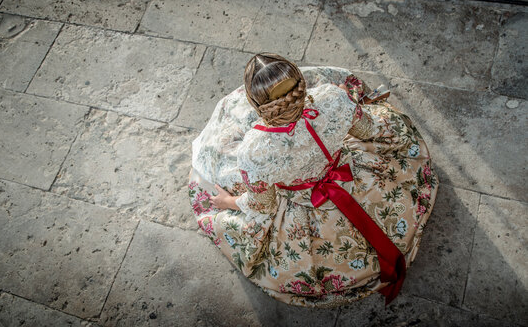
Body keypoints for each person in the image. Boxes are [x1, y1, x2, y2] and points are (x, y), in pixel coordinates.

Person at [188, 53, 438, 308]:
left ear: (256, 104)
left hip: (303, 207)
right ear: (302, 84)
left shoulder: (254, 151)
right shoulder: (332, 98)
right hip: (353, 175)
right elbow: (369, 130)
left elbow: (263, 205)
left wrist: (229, 201)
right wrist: (345, 104)